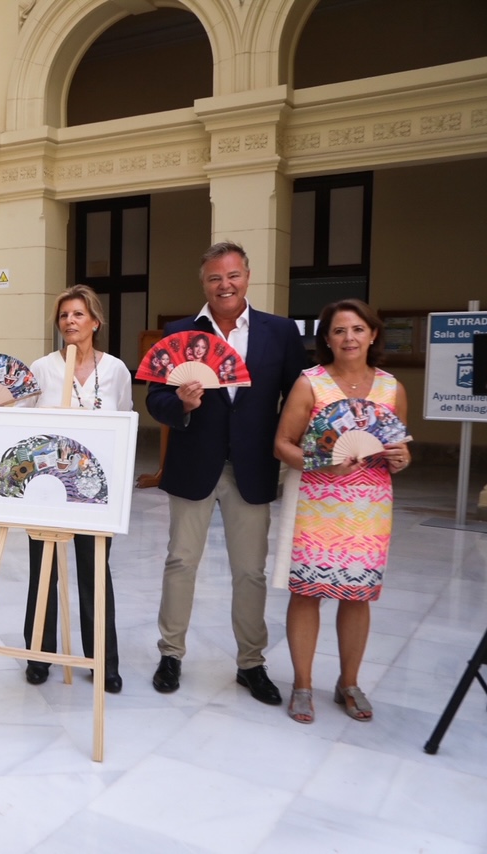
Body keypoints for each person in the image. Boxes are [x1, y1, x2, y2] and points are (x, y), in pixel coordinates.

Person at [146, 242, 304, 704]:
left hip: (252, 467)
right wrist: (183, 404)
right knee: (180, 563)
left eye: (232, 276)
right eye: (215, 278)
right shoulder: (180, 331)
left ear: (247, 277)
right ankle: (171, 654)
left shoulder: (279, 332)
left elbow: (298, 399)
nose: (224, 285)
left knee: (250, 572)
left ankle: (250, 663)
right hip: (194, 465)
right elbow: (156, 398)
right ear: (204, 284)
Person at [274, 299, 410, 724]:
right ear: (326, 339)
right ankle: (301, 684)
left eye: (357, 329)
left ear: (372, 334)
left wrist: (401, 459)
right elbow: (283, 443)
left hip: (369, 506)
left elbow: (397, 446)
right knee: (307, 591)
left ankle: (348, 682)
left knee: (358, 595)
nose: (348, 338)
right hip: (317, 501)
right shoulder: (310, 384)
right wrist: (320, 461)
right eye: (338, 331)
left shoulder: (391, 388)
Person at [19, 285, 131, 692]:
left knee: (94, 570)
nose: (69, 321)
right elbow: (20, 420)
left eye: (78, 314)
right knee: (43, 570)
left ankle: (104, 660)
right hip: (47, 487)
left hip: (96, 490)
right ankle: (39, 655)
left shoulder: (116, 369)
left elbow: (124, 424)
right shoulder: (42, 367)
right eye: (64, 315)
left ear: (95, 322)